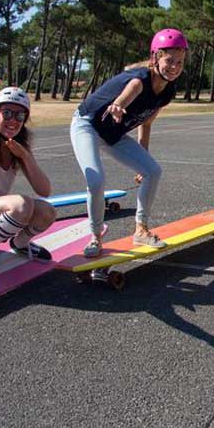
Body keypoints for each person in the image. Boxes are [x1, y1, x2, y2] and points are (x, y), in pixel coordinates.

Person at [70, 28, 188, 258]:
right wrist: (119, 104)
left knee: (152, 171)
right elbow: (131, 90)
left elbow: (147, 123)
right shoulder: (140, 78)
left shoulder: (167, 91)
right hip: (87, 124)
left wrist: (142, 162)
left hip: (112, 134)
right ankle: (95, 237)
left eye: (180, 62)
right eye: (169, 60)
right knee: (96, 180)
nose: (174, 66)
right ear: (155, 57)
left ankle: (141, 229)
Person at [0, 87, 56, 284]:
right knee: (21, 205)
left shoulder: (17, 146)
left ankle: (20, 243)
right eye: (7, 113)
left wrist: (25, 157)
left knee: (47, 212)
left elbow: (44, 190)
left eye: (20, 115)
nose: (13, 120)